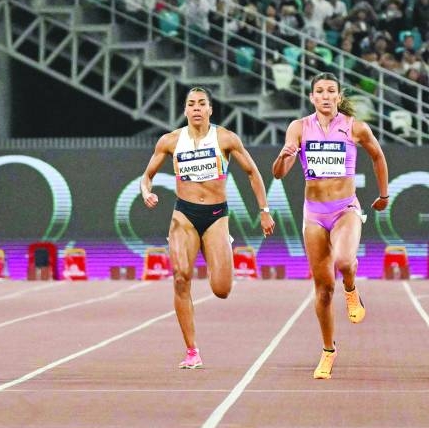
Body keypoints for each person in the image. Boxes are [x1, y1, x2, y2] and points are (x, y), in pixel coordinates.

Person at [140, 87, 275, 370]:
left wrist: (264, 211)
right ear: (186, 110)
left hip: (215, 216)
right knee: (180, 277)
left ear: (210, 109)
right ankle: (192, 351)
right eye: (192, 104)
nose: (197, 108)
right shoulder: (170, 141)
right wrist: (146, 192)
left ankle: (220, 249)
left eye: (202, 103)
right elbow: (147, 176)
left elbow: (252, 172)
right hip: (184, 215)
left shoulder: (225, 138)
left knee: (222, 289)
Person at [272, 73, 390, 380]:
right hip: (313, 214)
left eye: (331, 91)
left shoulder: (354, 128)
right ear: (312, 97)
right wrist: (283, 157)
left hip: (345, 209)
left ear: (338, 97)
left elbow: (378, 156)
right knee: (323, 289)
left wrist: (384, 195)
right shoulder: (299, 128)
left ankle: (351, 288)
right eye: (320, 91)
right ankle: (328, 351)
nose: (325, 96)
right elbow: (279, 173)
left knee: (343, 260)